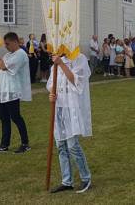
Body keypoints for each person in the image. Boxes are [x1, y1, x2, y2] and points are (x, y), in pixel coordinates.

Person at [48, 53, 92, 194]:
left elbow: (77, 82)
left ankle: (86, 177)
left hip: (71, 107)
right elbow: (51, 84)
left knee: (73, 145)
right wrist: (52, 94)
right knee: (61, 145)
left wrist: (61, 64)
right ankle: (67, 181)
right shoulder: (56, 61)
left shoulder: (79, 58)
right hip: (59, 107)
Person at [0, 32, 32, 153]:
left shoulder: (20, 54)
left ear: (15, 41)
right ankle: (4, 144)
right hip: (3, 90)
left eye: (7, 44)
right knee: (4, 118)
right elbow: (1, 72)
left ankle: (25, 143)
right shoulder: (8, 54)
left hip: (12, 90)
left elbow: (4, 67)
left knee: (16, 117)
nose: (6, 46)